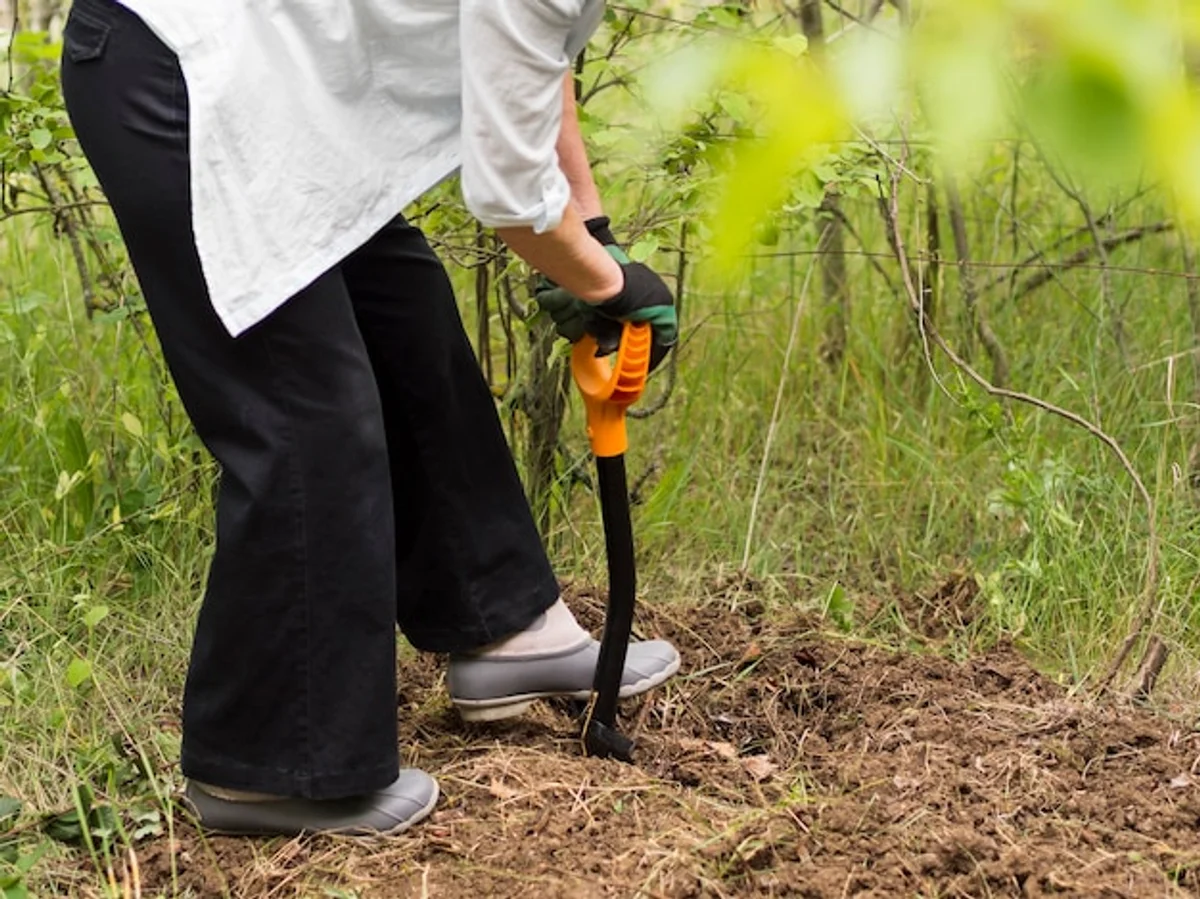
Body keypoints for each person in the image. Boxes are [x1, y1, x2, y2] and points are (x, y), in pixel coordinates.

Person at [60, 0, 681, 837]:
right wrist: (610, 284)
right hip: (178, 69)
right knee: (303, 403)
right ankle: (265, 766)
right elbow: (506, 193)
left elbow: (539, 60)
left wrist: (592, 230)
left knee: (407, 319)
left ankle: (506, 629)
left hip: (279, 84)